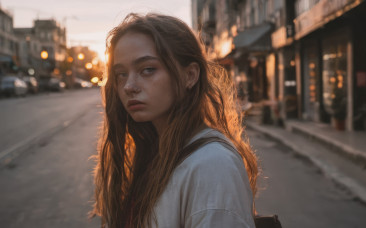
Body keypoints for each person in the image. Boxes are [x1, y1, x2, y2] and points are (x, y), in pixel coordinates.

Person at [92, 13, 258, 228]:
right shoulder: (156, 152)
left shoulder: (212, 165)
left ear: (190, 75)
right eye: (121, 74)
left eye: (148, 70)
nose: (128, 86)